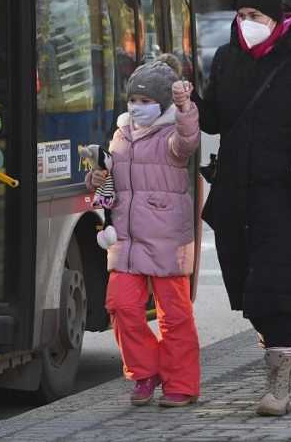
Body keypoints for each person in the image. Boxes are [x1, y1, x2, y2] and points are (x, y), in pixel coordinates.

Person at [193, 0, 291, 416]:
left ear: (277, 19)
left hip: (282, 192)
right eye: (242, 15)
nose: (246, 24)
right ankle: (273, 341)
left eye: (256, 16)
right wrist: (188, 102)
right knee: (244, 284)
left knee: (277, 281)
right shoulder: (227, 58)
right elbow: (213, 119)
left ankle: (279, 376)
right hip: (234, 190)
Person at [86, 61, 201, 407]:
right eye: (133, 99)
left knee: (174, 316)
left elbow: (188, 141)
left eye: (145, 100)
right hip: (125, 239)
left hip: (167, 237)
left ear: (162, 102)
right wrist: (96, 178)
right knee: (120, 306)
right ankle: (144, 371)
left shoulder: (172, 133)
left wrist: (185, 109)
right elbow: (114, 180)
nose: (137, 106)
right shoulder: (121, 132)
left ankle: (181, 384)